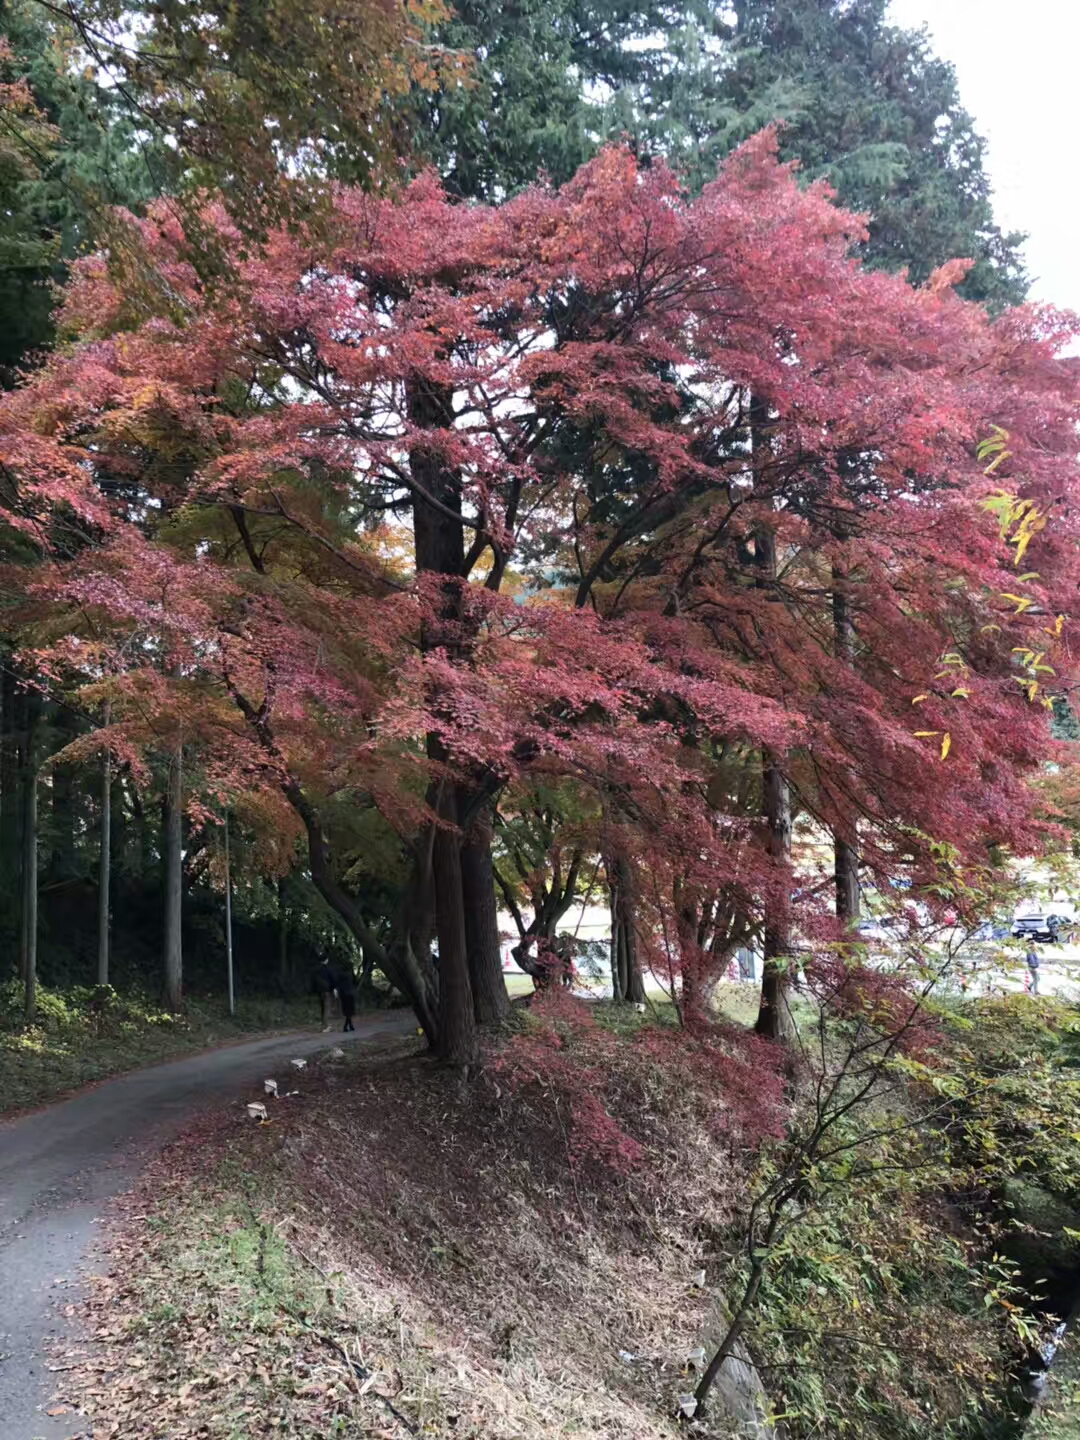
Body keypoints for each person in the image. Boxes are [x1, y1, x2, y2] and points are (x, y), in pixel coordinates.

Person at [312, 959, 335, 1030]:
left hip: (319, 991)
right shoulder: (328, 969)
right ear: (326, 960)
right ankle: (326, 1025)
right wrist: (333, 989)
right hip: (327, 990)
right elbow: (332, 979)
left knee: (322, 1007)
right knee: (327, 1008)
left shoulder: (317, 970)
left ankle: (323, 1023)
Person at [335, 961, 357, 1033]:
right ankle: (348, 1025)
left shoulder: (340, 975)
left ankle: (348, 1025)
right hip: (350, 993)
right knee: (349, 1010)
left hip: (344, 993)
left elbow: (338, 984)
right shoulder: (349, 974)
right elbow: (354, 982)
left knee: (346, 1010)